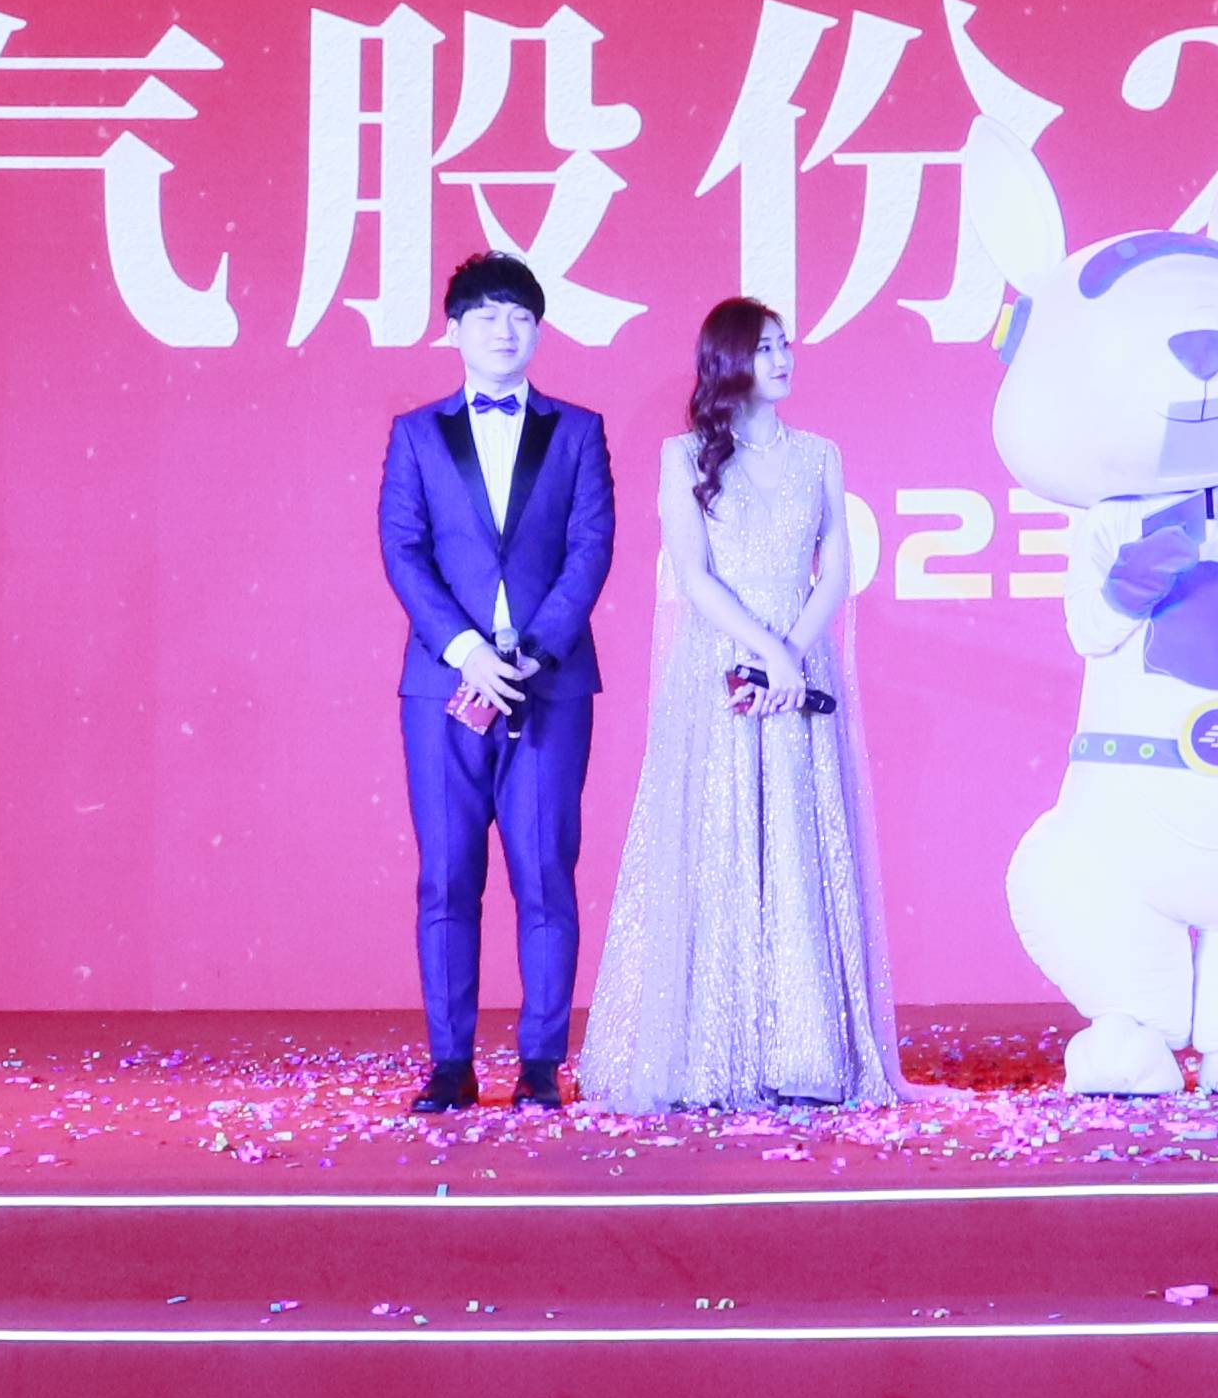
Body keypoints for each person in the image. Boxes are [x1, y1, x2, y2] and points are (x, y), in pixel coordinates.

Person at [576, 297, 903, 1112]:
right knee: (720, 840)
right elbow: (693, 577)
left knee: (796, 839)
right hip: (723, 665)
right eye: (763, 348)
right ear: (727, 359)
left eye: (785, 344)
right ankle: (713, 1053)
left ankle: (807, 1051)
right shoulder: (683, 455)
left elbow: (834, 571)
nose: (783, 359)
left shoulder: (820, 454)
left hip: (799, 662)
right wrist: (769, 651)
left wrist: (794, 651)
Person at [376, 252, 614, 1110]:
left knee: (545, 870)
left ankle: (542, 1062)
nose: (505, 330)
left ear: (539, 330)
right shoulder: (416, 434)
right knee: (446, 875)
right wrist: (467, 651)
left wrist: (532, 651)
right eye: (486, 315)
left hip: (549, 683)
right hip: (443, 688)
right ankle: (451, 1063)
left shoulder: (578, 430)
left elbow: (590, 548)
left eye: (520, 315)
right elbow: (403, 550)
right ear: (453, 331)